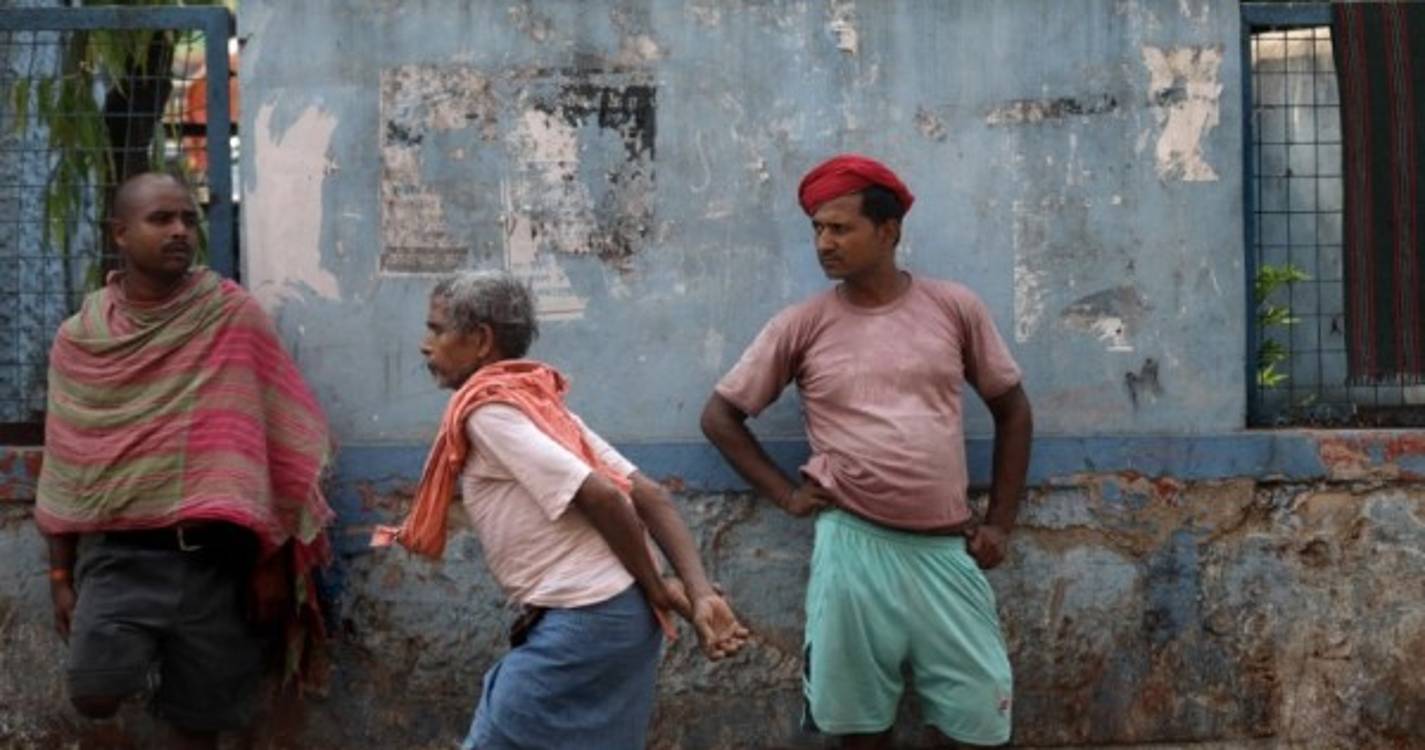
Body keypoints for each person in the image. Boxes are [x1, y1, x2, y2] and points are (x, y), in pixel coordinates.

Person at [700, 154, 1034, 749]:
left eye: (840, 228)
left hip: (945, 549)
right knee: (858, 727)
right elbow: (720, 417)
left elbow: (1013, 410)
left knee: (978, 719)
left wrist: (1001, 524)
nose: (824, 243)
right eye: (817, 229)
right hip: (852, 546)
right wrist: (786, 495)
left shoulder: (953, 308)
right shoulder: (802, 325)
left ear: (889, 231)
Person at [374, 270, 749, 750]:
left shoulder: (490, 414)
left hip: (591, 615)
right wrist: (698, 591)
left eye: (437, 329)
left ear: (481, 340)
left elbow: (605, 496)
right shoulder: (539, 406)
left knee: (500, 732)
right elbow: (651, 494)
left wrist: (661, 588)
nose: (426, 345)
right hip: (618, 617)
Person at [36, 172, 335, 749]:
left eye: (188, 220)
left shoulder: (230, 315)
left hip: (219, 564)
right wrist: (59, 576)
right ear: (120, 233)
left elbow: (272, 448)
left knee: (201, 725)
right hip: (121, 559)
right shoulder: (84, 339)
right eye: (161, 219)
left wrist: (268, 565)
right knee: (94, 690)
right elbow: (67, 467)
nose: (179, 231)